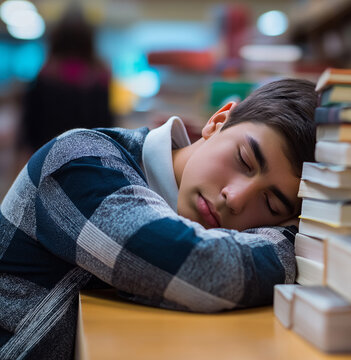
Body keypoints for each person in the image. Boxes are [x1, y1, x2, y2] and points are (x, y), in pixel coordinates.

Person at [0, 78, 317, 359]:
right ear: (218, 121)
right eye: (244, 160)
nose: (234, 198)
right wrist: (296, 240)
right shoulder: (80, 159)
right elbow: (205, 268)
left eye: (272, 203)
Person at [17, 4, 113, 166]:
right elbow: (106, 122)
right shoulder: (99, 75)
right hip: (88, 158)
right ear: (89, 39)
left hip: (46, 156)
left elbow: (30, 123)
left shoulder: (46, 73)